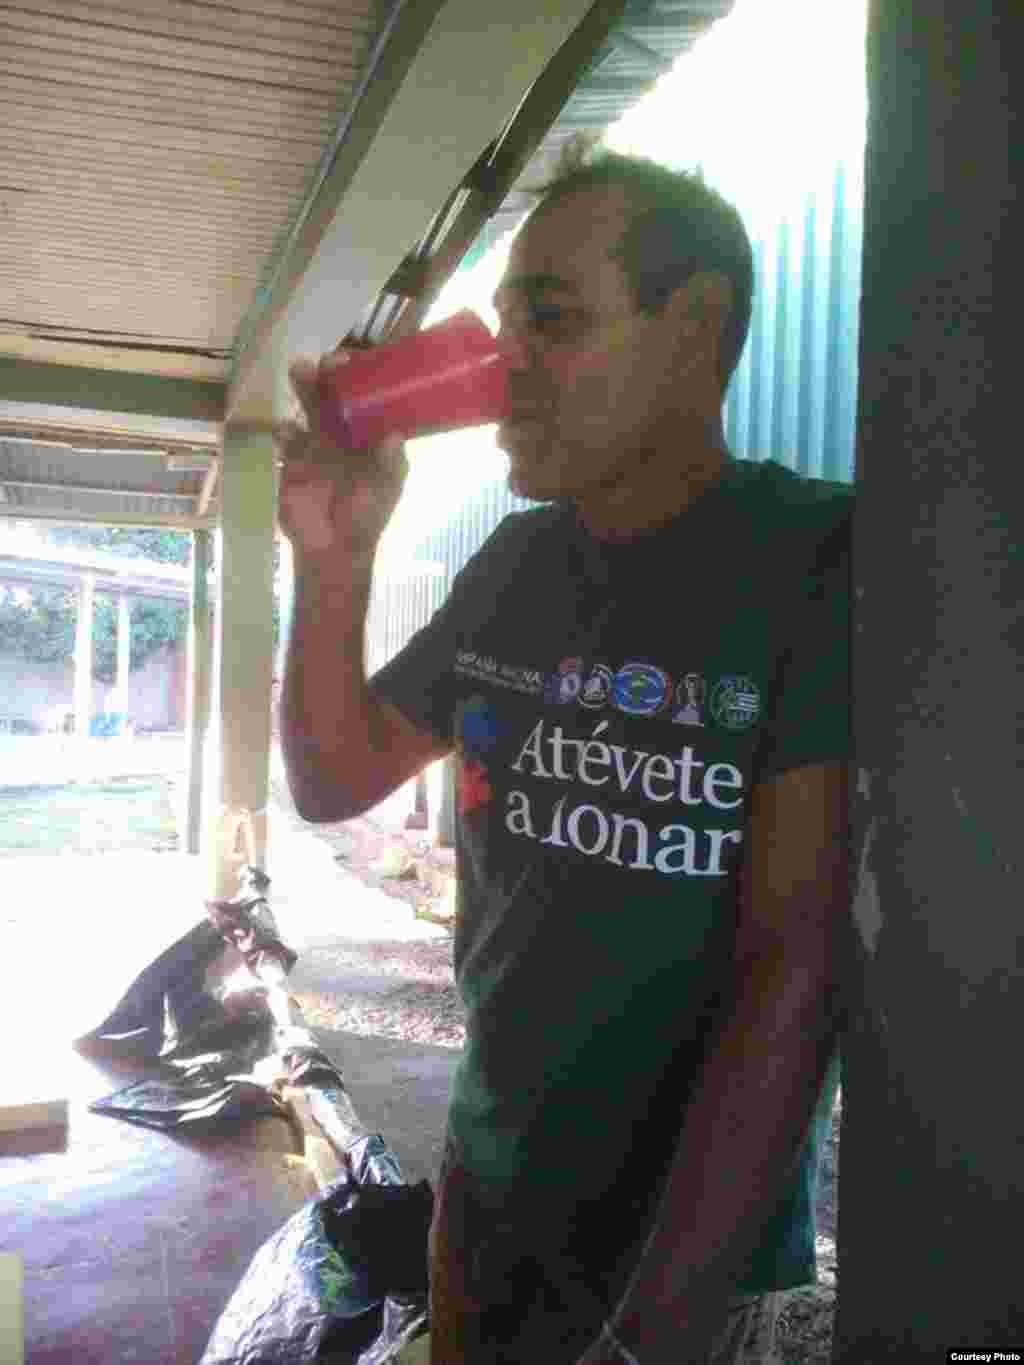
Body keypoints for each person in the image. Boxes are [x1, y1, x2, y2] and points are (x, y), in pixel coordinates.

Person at [277, 149, 851, 1365]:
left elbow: (787, 975)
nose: (500, 371)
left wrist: (651, 1334)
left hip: (685, 1256)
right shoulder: (515, 568)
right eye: (502, 325)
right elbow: (335, 777)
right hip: (488, 1189)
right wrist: (334, 560)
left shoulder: (808, 558)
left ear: (692, 332)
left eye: (551, 318)